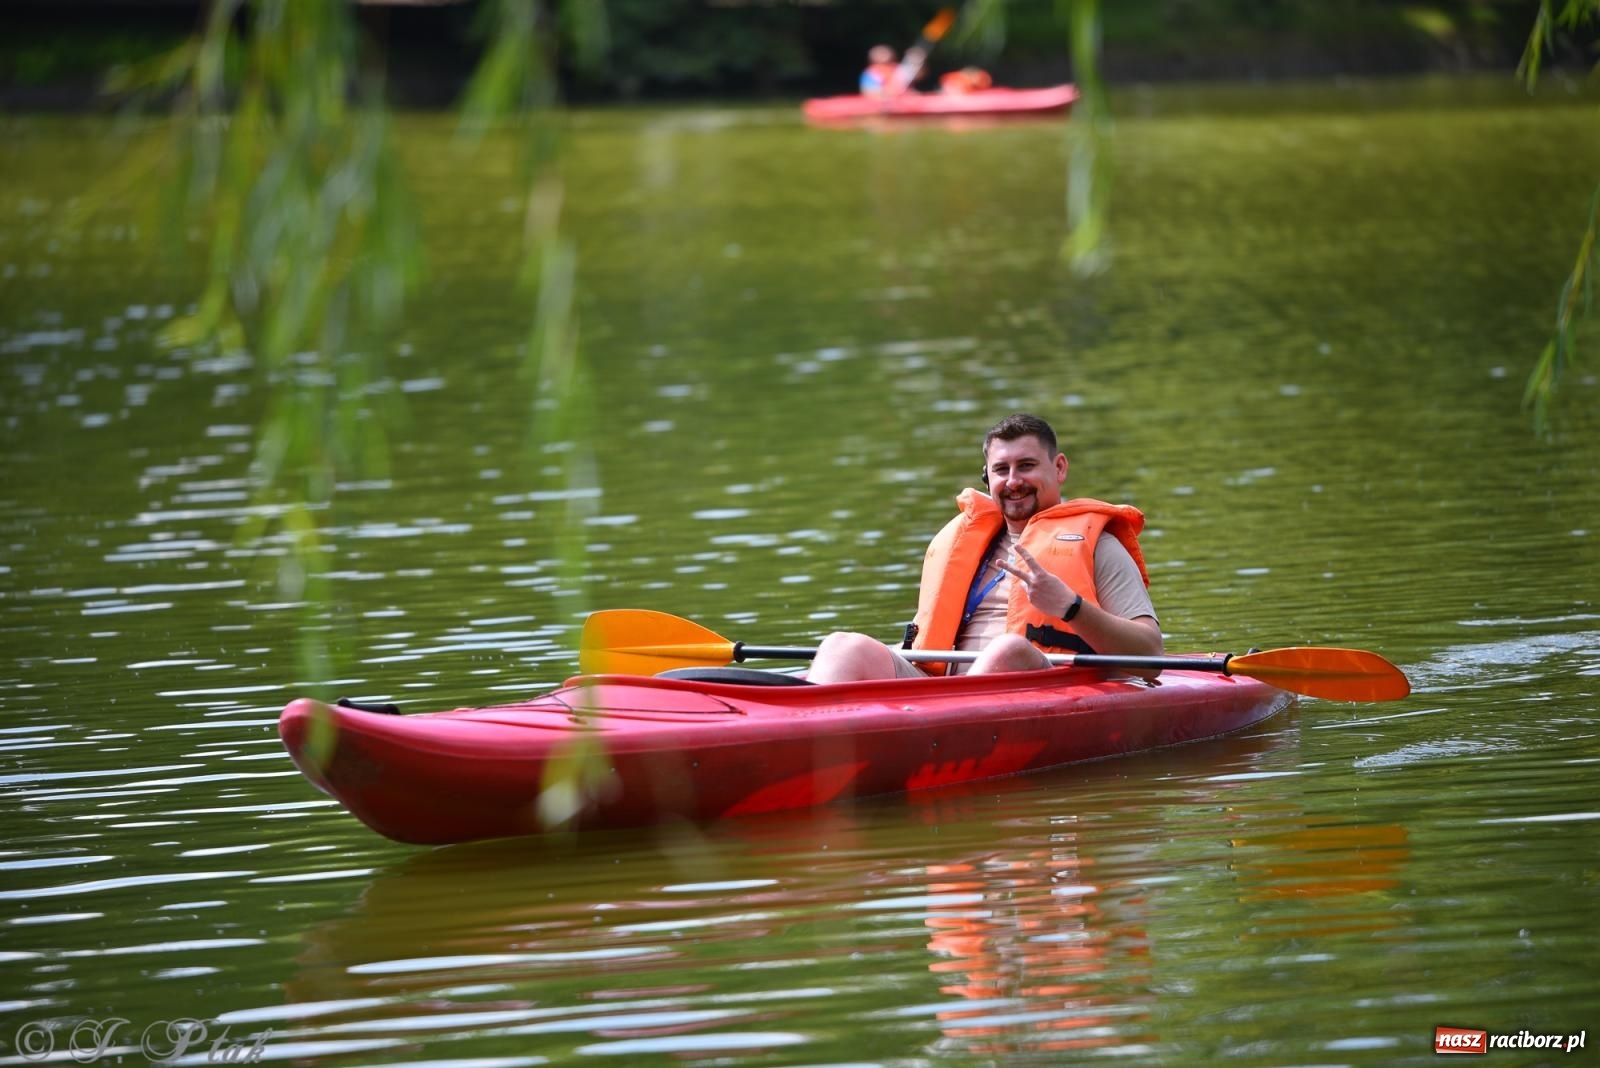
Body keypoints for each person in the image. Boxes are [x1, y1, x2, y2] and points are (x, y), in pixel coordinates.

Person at [808, 413, 1163, 683]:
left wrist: (1071, 607)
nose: (1013, 481)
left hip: (1046, 682)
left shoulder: (1100, 546)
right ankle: (801, 729)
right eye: (1001, 469)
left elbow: (1151, 656)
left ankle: (944, 732)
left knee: (1008, 649)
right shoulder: (965, 544)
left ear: (1059, 468)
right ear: (987, 477)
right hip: (939, 688)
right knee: (843, 646)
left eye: (1026, 466)